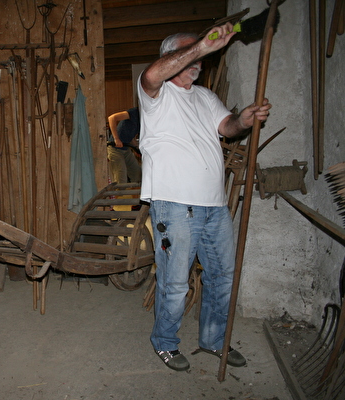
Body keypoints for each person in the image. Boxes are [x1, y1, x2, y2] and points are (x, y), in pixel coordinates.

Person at [137, 25, 271, 371]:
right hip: (175, 205)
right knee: (175, 281)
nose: (198, 59)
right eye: (189, 52)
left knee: (222, 275)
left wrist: (243, 119)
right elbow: (152, 73)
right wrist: (203, 45)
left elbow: (228, 128)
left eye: (198, 54)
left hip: (214, 206)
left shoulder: (205, 97)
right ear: (171, 56)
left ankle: (213, 340)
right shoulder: (156, 95)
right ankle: (165, 343)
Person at [107, 107, 141, 184]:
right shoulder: (133, 113)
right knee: (121, 178)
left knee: (137, 175)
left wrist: (137, 149)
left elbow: (131, 137)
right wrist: (116, 139)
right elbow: (112, 118)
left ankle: (137, 195)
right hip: (115, 148)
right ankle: (120, 195)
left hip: (126, 148)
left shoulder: (143, 119)